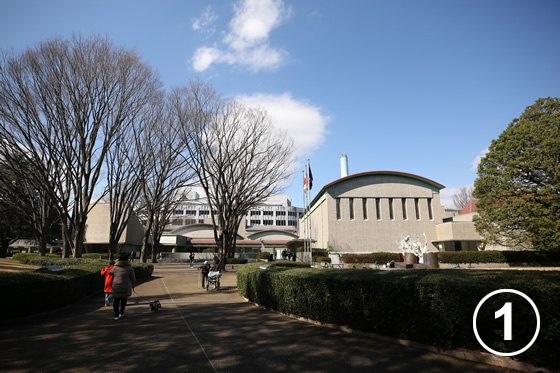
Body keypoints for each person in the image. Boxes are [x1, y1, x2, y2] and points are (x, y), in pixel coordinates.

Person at [109, 253, 136, 320]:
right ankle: (121, 312)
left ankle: (116, 315)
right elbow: (133, 278)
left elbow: (110, 272)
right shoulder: (129, 267)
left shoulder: (115, 267)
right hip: (125, 286)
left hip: (116, 286)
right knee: (123, 299)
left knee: (116, 301)